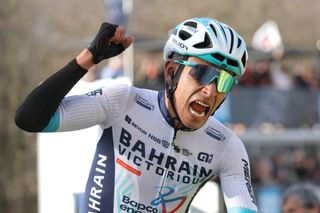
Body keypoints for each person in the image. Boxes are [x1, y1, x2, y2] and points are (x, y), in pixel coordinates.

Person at [15, 18, 258, 212]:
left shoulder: (227, 147)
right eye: (202, 74)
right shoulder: (124, 102)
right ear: (172, 71)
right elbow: (30, 118)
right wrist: (90, 57)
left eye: (225, 81)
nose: (210, 90)